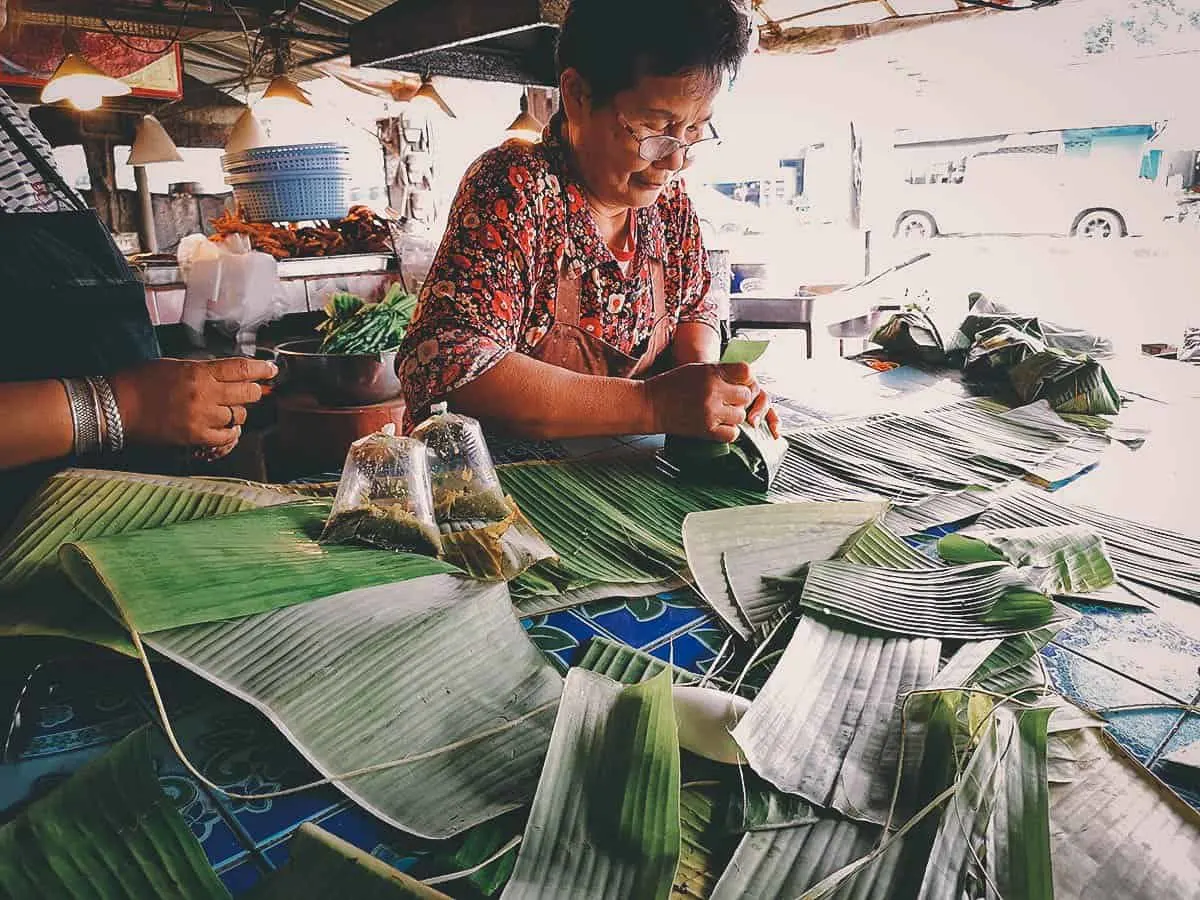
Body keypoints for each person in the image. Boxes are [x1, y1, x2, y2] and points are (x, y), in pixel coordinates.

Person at [397, 0, 778, 442]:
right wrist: (652, 405)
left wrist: (708, 388)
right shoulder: (517, 186)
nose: (675, 159)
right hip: (500, 490)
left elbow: (695, 305)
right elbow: (443, 362)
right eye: (655, 127)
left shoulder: (668, 203)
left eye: (694, 131)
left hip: (627, 479)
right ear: (578, 96)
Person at [0, 0, 274, 519]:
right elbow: (114, 401)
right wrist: (123, 406)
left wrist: (177, 414)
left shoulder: (16, 128)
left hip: (101, 530)